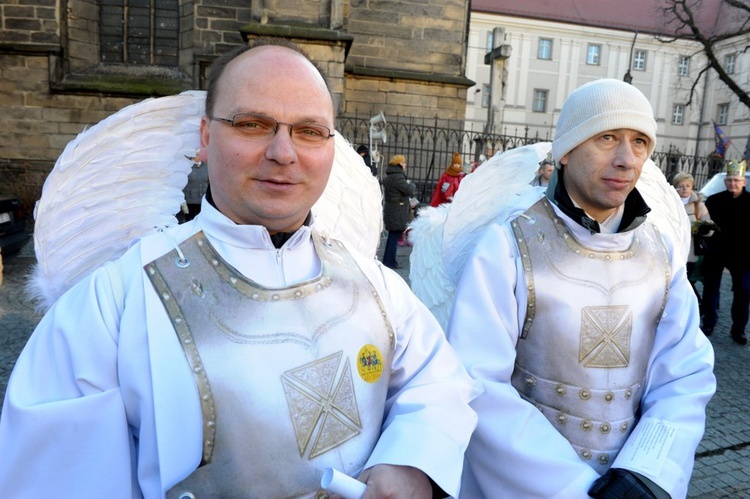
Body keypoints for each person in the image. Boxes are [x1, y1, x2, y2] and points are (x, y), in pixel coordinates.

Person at [0, 39, 480, 498]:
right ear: (206, 138)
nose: (283, 153)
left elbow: (437, 381)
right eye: (253, 123)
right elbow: (59, 478)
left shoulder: (375, 285)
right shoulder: (115, 302)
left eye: (309, 131)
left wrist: (413, 460)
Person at [443, 79, 715, 497]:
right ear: (565, 151)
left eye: (640, 142)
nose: (627, 159)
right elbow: (477, 382)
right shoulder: (507, 247)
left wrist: (645, 473)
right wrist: (573, 488)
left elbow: (684, 374)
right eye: (607, 137)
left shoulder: (661, 253)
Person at [700, 159, 750, 344]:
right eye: (729, 180)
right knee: (710, 289)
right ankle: (709, 323)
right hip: (716, 252)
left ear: (743, 182)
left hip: (743, 256)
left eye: (736, 180)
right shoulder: (714, 201)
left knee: (743, 292)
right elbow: (706, 224)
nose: (732, 183)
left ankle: (739, 329)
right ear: (725, 181)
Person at [672, 171, 714, 305]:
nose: (684, 188)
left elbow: (709, 228)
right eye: (681, 185)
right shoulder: (669, 203)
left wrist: (702, 229)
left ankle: (694, 304)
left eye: (688, 185)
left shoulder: (699, 205)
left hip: (690, 252)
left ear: (692, 187)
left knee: (684, 282)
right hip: (671, 251)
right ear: (675, 187)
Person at [381, 154, 415, 269]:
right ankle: (390, 262)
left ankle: (387, 260)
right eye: (404, 162)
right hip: (397, 211)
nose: (405, 165)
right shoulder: (398, 177)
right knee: (394, 237)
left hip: (392, 209)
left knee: (392, 236)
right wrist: (411, 184)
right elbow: (408, 190)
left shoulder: (390, 176)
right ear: (399, 164)